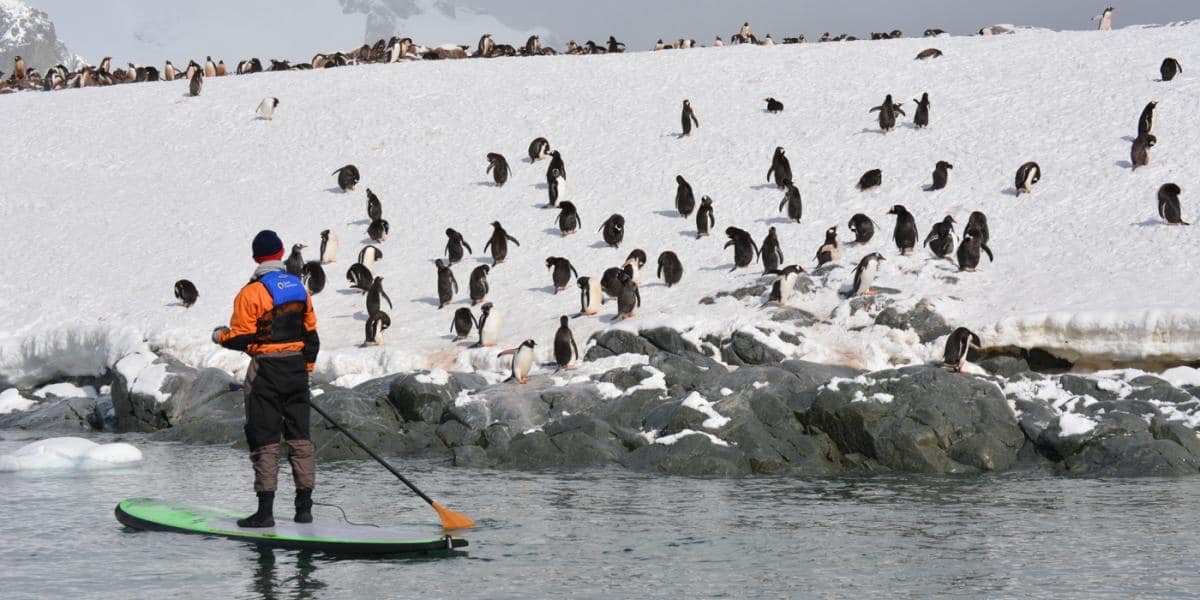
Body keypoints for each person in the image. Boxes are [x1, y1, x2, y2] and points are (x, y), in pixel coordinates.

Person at [212, 230, 320, 527]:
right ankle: (304, 509)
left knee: (265, 438)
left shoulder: (250, 293)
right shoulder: (300, 288)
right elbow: (312, 336)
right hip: (296, 370)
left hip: (267, 372)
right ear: (282, 252)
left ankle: (265, 513)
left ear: (255, 258)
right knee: (300, 437)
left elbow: (242, 336)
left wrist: (220, 337)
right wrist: (305, 369)